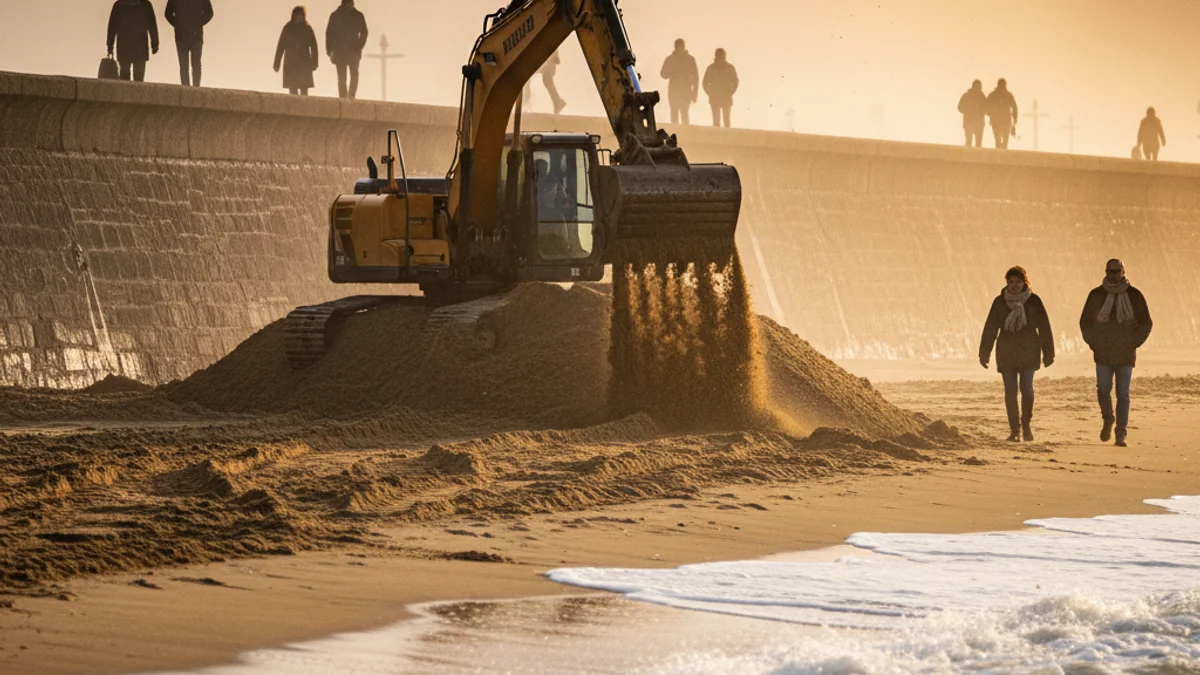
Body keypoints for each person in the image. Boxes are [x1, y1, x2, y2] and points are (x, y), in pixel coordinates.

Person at [1079, 259, 1153, 447]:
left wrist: (1134, 342)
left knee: (1123, 393)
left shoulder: (1134, 295)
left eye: (1117, 271)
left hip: (1125, 352)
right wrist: (1093, 342)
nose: (1113, 275)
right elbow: (1085, 322)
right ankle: (1108, 418)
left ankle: (1121, 433)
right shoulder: (1096, 295)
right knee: (1103, 389)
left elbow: (1146, 322)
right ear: (1106, 272)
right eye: (1110, 271)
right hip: (1103, 351)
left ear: (1123, 271)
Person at [979, 266, 1055, 442]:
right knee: (1010, 391)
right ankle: (1014, 430)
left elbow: (1044, 327)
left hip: (1029, 349)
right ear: (1007, 283)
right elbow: (990, 328)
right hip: (1006, 351)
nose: (1014, 285)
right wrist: (984, 353)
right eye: (1011, 282)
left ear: (1024, 282)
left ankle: (1026, 425)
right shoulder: (999, 302)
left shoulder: (1034, 301)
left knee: (1027, 389)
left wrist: (1049, 353)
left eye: (1018, 282)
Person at [107, 0, 160, 82]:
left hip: (124, 46)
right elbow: (152, 25)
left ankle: (126, 90)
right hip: (140, 47)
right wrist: (155, 44)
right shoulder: (145, 5)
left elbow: (112, 28)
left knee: (125, 77)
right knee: (138, 79)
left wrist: (110, 46)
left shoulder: (119, 5)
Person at [164, 0, 213, 87]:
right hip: (185, 35)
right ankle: (188, 87)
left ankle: (194, 87)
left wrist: (197, 22)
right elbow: (168, 13)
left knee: (194, 63)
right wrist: (178, 24)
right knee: (186, 65)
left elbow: (209, 13)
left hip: (192, 35)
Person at [326, 0, 368, 100]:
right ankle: (344, 97)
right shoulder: (337, 15)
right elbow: (329, 34)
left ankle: (350, 96)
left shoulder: (356, 15)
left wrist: (359, 46)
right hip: (342, 51)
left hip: (350, 50)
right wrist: (329, 50)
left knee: (352, 75)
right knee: (343, 77)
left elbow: (364, 32)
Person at [274, 6, 319, 96]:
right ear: (294, 15)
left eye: (303, 15)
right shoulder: (288, 28)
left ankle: (304, 105)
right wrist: (276, 64)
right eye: (300, 14)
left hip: (304, 63)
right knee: (293, 90)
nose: (301, 17)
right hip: (291, 63)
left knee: (304, 90)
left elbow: (314, 47)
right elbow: (281, 46)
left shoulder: (307, 28)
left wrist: (314, 63)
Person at [660, 38, 699, 125]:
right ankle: (676, 132)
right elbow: (663, 74)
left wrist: (694, 93)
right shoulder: (670, 59)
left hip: (686, 91)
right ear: (675, 47)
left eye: (681, 46)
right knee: (674, 115)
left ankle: (685, 132)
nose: (680, 48)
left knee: (684, 114)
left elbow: (696, 78)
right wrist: (671, 73)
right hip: (674, 90)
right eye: (678, 46)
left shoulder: (690, 59)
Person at [703, 48, 739, 128]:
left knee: (726, 121)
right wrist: (709, 93)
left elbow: (735, 82)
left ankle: (727, 135)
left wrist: (730, 92)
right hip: (715, 97)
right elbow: (705, 82)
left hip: (726, 97)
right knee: (716, 122)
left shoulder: (729, 68)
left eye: (722, 56)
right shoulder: (711, 68)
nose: (720, 57)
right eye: (719, 55)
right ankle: (717, 135)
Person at [986, 78, 1018, 149]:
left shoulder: (993, 95)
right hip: (1003, 120)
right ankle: (1002, 153)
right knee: (1003, 140)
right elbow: (1014, 107)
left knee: (999, 140)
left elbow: (986, 105)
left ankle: (1000, 153)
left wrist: (989, 113)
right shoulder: (1008, 95)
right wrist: (1015, 118)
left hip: (998, 120)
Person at [957, 79, 987, 147]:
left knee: (976, 144)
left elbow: (986, 108)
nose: (977, 88)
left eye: (978, 87)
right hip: (971, 122)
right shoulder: (969, 96)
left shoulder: (981, 96)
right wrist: (967, 111)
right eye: (976, 87)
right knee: (970, 143)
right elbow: (960, 107)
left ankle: (973, 153)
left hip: (976, 122)